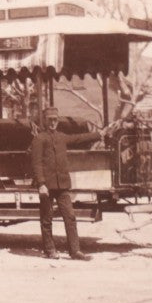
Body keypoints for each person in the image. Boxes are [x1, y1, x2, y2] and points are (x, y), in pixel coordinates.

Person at [29, 106, 96, 261]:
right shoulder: (39, 139)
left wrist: (99, 134)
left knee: (70, 217)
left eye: (55, 119)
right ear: (45, 121)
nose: (53, 122)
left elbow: (79, 138)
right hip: (47, 186)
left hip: (62, 186)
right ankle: (50, 250)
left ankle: (75, 251)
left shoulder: (61, 137)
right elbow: (36, 163)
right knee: (47, 219)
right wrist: (41, 184)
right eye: (50, 120)